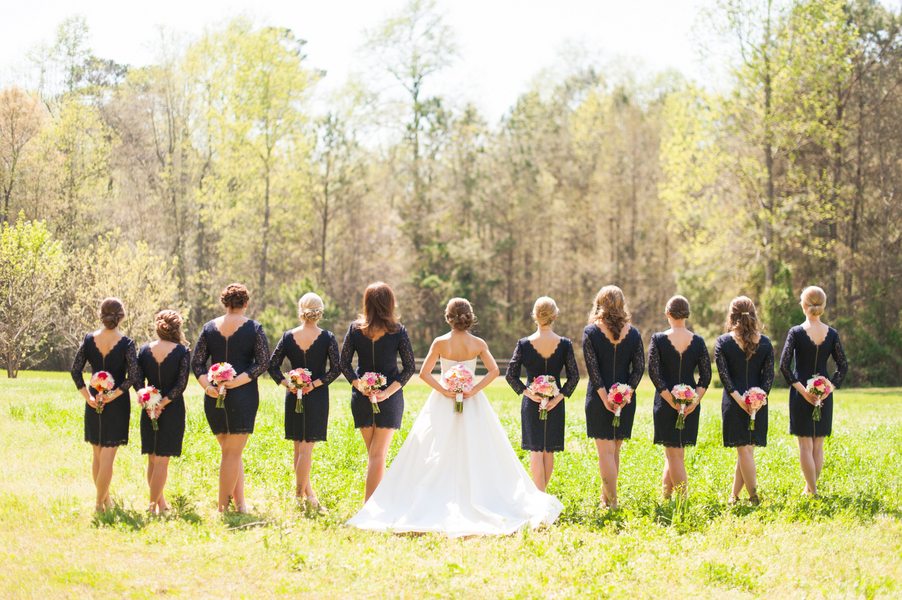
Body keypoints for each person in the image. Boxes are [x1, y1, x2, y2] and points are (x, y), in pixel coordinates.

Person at [347, 298, 563, 536]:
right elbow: (494, 371)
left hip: (443, 401)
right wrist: (473, 389)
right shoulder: (478, 343)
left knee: (436, 448)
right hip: (472, 402)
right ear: (470, 317)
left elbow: (424, 373)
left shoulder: (440, 342)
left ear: (448, 318)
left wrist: (444, 390)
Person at [192, 283, 270, 513]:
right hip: (242, 396)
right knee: (232, 453)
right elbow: (263, 362)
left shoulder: (208, 327)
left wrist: (208, 387)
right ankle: (223, 508)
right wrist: (236, 382)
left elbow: (197, 363)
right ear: (246, 303)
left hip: (214, 396)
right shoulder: (254, 328)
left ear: (224, 302)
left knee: (231, 453)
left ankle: (240, 503)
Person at [339, 282, 415, 502]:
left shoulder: (355, 329)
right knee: (377, 454)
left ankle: (377, 502)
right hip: (389, 398)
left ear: (367, 303)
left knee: (374, 454)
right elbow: (409, 368)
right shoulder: (398, 331)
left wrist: (359, 385)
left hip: (362, 397)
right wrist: (387, 393)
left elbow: (344, 364)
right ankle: (370, 506)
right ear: (389, 303)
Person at [268, 293, 341, 511]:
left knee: (299, 449)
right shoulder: (327, 337)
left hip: (294, 395)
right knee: (305, 449)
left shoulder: (288, 336)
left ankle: (308, 496)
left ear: (301, 310)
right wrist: (315, 384)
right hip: (316, 396)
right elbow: (336, 369)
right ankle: (300, 497)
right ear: (320, 311)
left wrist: (287, 384)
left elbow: (272, 366)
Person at [70, 297, 139, 512]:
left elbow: (75, 370)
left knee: (98, 454)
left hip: (93, 401)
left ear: (101, 314)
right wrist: (114, 394)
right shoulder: (127, 343)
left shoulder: (89, 339)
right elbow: (133, 375)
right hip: (116, 403)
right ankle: (99, 504)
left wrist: (88, 397)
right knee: (108, 455)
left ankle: (105, 500)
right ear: (121, 316)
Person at [779, 285, 849, 496]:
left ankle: (813, 491)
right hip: (824, 394)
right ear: (823, 306)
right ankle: (810, 489)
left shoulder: (796, 332)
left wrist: (804, 392)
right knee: (818, 446)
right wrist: (829, 388)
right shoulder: (832, 334)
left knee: (805, 445)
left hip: (801, 393)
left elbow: (784, 366)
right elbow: (843, 365)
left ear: (803, 305)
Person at [505, 297, 580, 491]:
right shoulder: (565, 344)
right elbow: (574, 377)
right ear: (555, 316)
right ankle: (542, 497)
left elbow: (510, 375)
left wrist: (529, 393)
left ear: (534, 316)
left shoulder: (523, 344)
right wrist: (558, 398)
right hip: (556, 404)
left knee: (536, 451)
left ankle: (540, 498)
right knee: (548, 451)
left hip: (531, 404)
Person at [582, 285, 645, 509]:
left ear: (600, 303)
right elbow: (639, 368)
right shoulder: (634, 333)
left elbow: (593, 371)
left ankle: (612, 501)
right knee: (614, 451)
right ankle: (606, 499)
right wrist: (626, 394)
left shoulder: (591, 332)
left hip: (598, 400)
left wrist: (605, 398)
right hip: (625, 400)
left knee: (606, 453)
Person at [647, 296, 711, 498]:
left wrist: (671, 400)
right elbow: (706, 376)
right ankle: (666, 498)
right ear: (687, 314)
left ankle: (683, 501)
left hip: (665, 403)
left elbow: (654, 374)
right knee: (676, 453)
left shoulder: (658, 339)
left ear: (667, 313)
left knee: (673, 454)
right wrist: (694, 401)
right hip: (690, 402)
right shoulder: (698, 341)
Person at [714, 296, 775, 505]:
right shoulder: (765, 343)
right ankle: (734, 496)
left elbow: (725, 377)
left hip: (734, 403)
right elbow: (769, 377)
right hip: (757, 403)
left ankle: (753, 497)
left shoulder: (723, 342)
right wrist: (759, 399)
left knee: (744, 450)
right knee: (746, 450)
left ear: (732, 315)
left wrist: (741, 400)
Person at [135, 310, 190, 514]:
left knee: (152, 458)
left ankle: (161, 504)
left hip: (149, 407)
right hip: (172, 409)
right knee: (161, 461)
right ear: (177, 328)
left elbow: (137, 380)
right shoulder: (182, 352)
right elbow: (181, 384)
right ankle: (152, 507)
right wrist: (163, 403)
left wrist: (149, 400)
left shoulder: (144, 350)